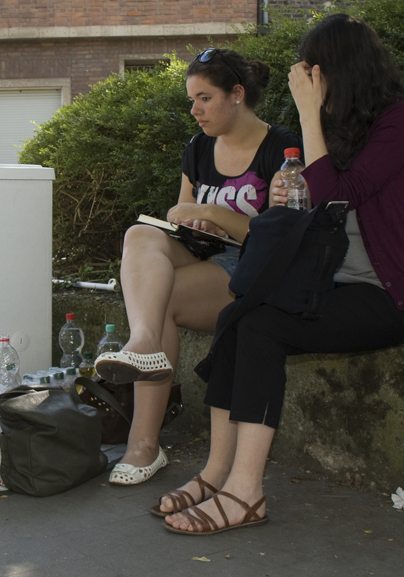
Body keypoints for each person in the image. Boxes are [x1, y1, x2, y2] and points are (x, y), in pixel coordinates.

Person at [162, 14, 404, 534]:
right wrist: (287, 198)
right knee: (240, 316)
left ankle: (245, 492)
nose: (304, 79)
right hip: (335, 282)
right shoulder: (346, 127)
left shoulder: (401, 120)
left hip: (388, 294)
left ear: (335, 69)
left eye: (310, 70)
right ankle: (216, 473)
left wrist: (307, 114)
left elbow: (340, 195)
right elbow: (321, 204)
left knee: (261, 328)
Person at [94, 49, 300, 486]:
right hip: (203, 253)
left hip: (252, 270)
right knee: (139, 235)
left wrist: (214, 213)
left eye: (204, 98)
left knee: (161, 299)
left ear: (237, 94)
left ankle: (143, 446)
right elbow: (184, 211)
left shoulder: (280, 149)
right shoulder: (198, 148)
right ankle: (144, 343)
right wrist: (183, 217)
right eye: (192, 100)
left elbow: (282, 236)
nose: (195, 110)